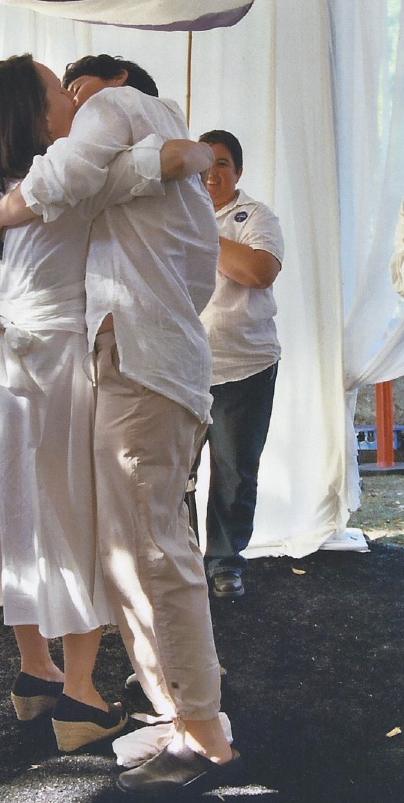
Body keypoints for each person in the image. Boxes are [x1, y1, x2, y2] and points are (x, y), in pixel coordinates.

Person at [0, 54, 241, 799]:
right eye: (59, 90)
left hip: (31, 369)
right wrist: (183, 155)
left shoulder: (30, 183)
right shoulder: (66, 176)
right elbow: (146, 168)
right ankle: (106, 697)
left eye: (75, 89)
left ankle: (66, 682)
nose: (72, 99)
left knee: (46, 525)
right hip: (64, 365)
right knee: (94, 531)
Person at [194, 129, 284, 599]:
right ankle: (182, 565)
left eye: (222, 163)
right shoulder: (173, 216)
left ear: (238, 172)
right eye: (204, 162)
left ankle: (225, 564)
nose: (212, 172)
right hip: (182, 368)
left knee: (232, 472)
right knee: (172, 475)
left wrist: (204, 228)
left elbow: (257, 271)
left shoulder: (254, 216)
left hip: (244, 367)